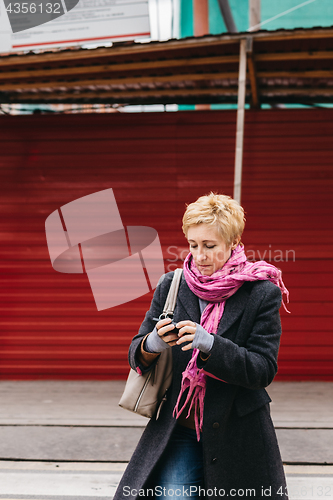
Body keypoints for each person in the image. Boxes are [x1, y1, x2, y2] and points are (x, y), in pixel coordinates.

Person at [114, 193, 289, 500]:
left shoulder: (261, 293)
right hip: (178, 426)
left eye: (210, 246)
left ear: (233, 242)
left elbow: (263, 369)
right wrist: (152, 343)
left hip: (239, 431)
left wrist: (210, 345)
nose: (200, 255)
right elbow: (136, 354)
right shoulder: (172, 284)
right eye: (193, 244)